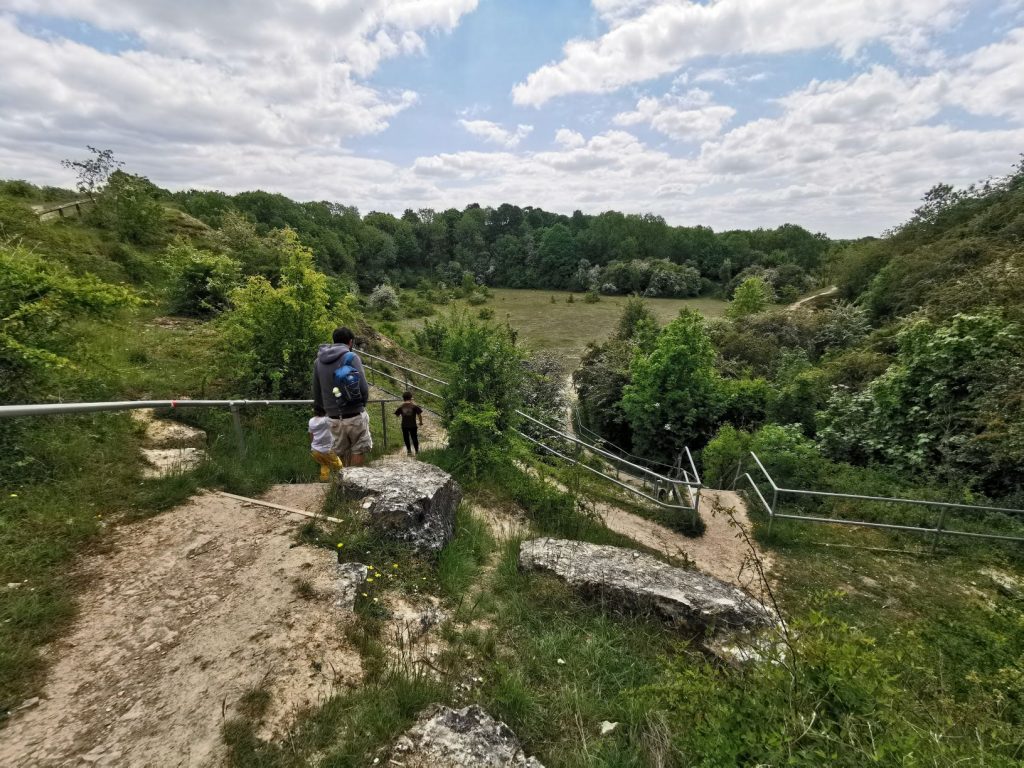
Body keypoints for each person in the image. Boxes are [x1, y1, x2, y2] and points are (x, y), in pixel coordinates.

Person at [312, 326, 371, 466]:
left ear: (334, 341)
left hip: (332, 417)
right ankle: (355, 485)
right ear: (350, 342)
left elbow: (316, 390)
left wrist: (324, 410)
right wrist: (362, 405)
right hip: (354, 413)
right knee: (358, 449)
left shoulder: (318, 361)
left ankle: (342, 486)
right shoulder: (351, 357)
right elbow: (363, 386)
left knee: (340, 452)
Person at [308, 404, 343, 481]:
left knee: (324, 465)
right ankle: (340, 481)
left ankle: (324, 480)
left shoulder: (311, 421)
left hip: (315, 450)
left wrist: (312, 445)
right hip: (328, 450)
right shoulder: (327, 420)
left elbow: (311, 434)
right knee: (339, 466)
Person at [394, 391, 424, 456]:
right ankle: (417, 451)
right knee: (414, 437)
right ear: (411, 398)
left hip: (404, 425)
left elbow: (397, 414)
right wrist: (421, 422)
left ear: (403, 398)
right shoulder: (414, 406)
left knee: (406, 438)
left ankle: (409, 451)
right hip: (413, 425)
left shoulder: (401, 406)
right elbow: (419, 415)